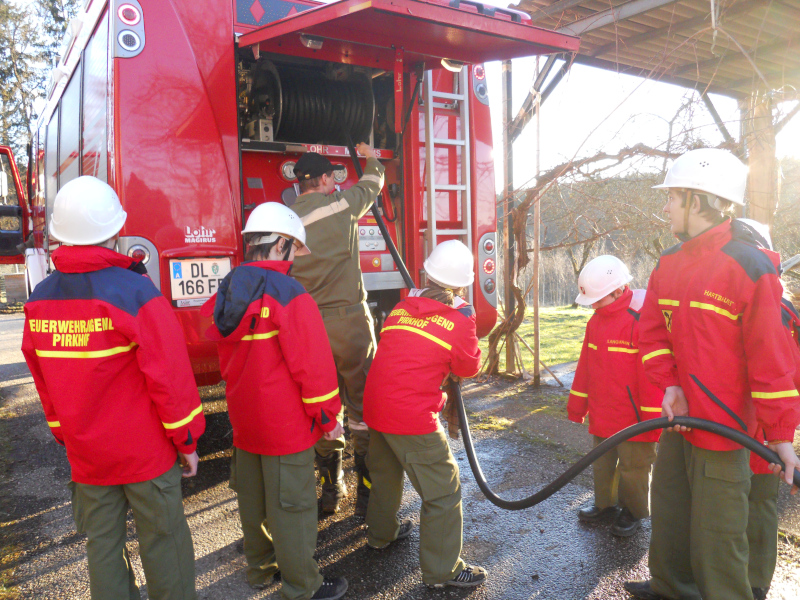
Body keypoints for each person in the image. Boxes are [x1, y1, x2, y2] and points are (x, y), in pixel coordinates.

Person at [623, 149, 800, 600]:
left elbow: (771, 360)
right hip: (680, 422)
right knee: (670, 515)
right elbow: (651, 337)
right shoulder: (669, 263)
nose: (665, 207)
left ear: (697, 201)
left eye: (673, 198)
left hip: (726, 434)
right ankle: (671, 588)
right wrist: (672, 385)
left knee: (719, 542)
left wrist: (781, 437)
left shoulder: (748, 267)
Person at [21, 176, 206, 600]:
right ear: (113, 232)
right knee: (164, 541)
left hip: (88, 455)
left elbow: (45, 383)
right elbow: (170, 377)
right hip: (145, 451)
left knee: (102, 545)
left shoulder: (39, 301)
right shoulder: (135, 291)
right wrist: (187, 440)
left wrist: (65, 435)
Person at [202, 202, 348, 600]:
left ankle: (259, 570)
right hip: (285, 425)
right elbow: (312, 366)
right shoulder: (288, 293)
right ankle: (303, 586)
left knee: (254, 502)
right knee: (293, 508)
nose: (295, 258)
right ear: (281, 244)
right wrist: (328, 418)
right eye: (294, 248)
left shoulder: (229, 286)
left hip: (245, 421)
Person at [362, 240, 487, 590]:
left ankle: (380, 535)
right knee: (444, 490)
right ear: (462, 284)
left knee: (385, 474)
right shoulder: (460, 319)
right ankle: (443, 571)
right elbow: (469, 366)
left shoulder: (403, 308)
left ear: (427, 274)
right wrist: (466, 321)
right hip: (410, 415)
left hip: (375, 406)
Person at [289, 143, 385, 515]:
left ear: (299, 185)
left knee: (323, 406)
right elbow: (374, 182)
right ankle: (367, 493)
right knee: (362, 406)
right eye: (332, 177)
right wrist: (370, 153)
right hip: (351, 324)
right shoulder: (343, 205)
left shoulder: (288, 219)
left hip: (311, 327)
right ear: (326, 179)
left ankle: (331, 490)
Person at [568, 255, 661, 537]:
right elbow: (586, 365)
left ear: (618, 291)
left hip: (635, 417)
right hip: (603, 410)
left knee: (635, 468)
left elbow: (651, 375)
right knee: (602, 461)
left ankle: (632, 511)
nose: (593, 306)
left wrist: (651, 419)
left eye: (598, 299)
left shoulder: (641, 320)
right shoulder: (595, 322)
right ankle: (605, 505)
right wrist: (577, 404)